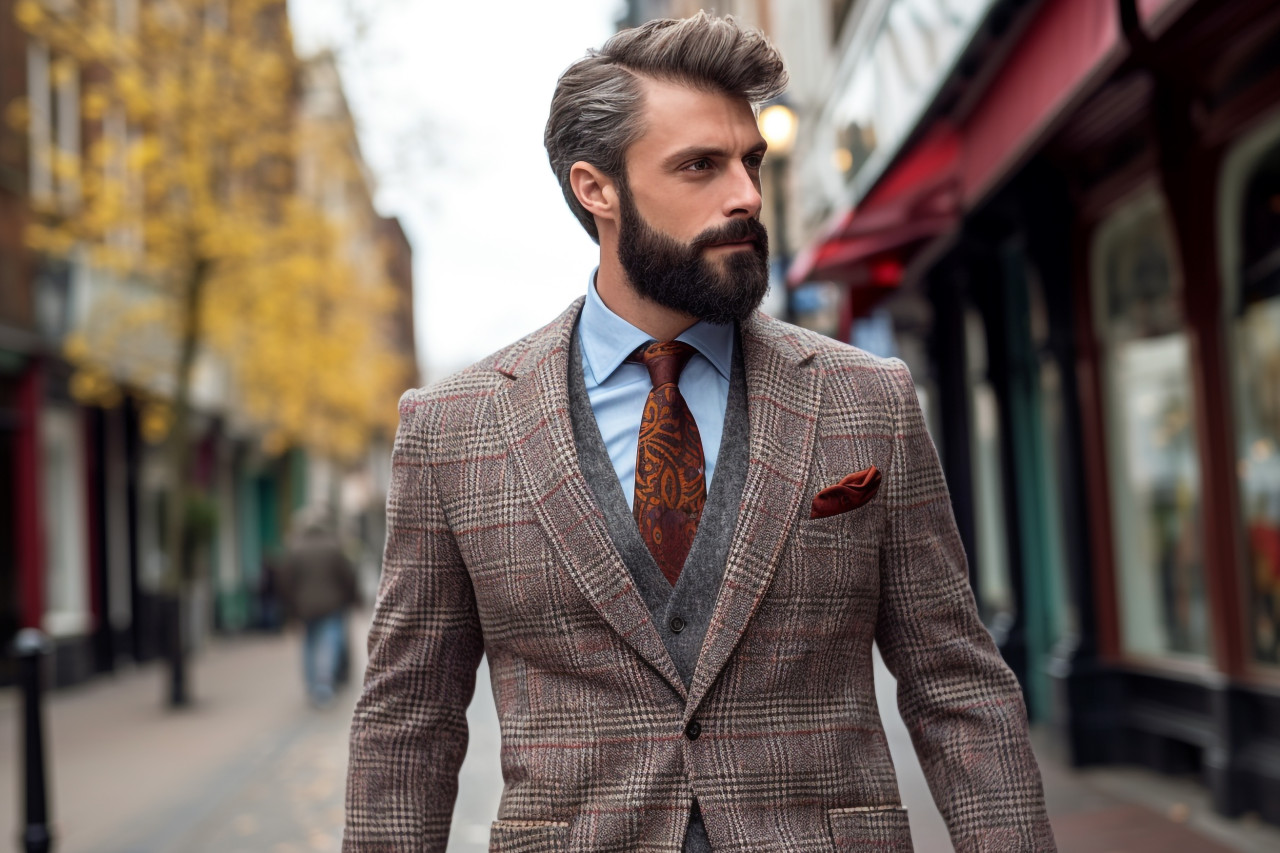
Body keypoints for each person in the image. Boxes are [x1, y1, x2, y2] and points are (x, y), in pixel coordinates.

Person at [345, 13, 1055, 852]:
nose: (746, 194)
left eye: (751, 161)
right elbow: (408, 721)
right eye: (700, 166)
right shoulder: (454, 431)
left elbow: (956, 685)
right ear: (597, 189)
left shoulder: (868, 398)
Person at [278, 508, 358, 708]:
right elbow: (347, 576)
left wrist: (291, 607)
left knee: (309, 644)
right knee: (329, 644)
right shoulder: (333, 546)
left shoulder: (295, 548)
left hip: (304, 607)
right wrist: (352, 598)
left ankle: (312, 685)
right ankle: (324, 686)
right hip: (332, 605)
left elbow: (286, 580)